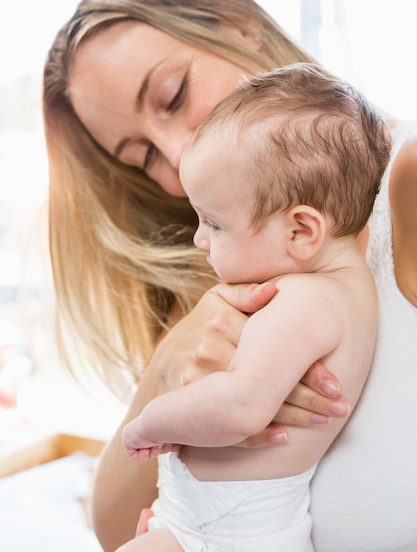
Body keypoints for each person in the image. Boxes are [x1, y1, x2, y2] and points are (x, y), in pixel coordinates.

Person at [42, 0, 417, 552]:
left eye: (173, 95)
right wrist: (165, 368)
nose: (175, 150)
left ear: (239, 25)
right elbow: (116, 531)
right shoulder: (235, 266)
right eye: (140, 156)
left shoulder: (404, 184)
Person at [115, 63, 390, 552]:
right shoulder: (346, 286)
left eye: (214, 224)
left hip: (224, 532)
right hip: (215, 521)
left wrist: (148, 422)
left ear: (302, 231)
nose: (200, 239)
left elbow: (240, 408)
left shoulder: (305, 300)